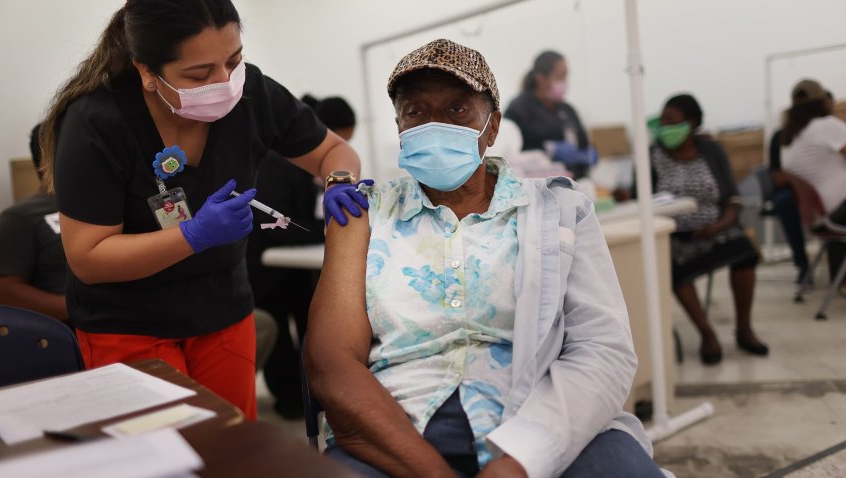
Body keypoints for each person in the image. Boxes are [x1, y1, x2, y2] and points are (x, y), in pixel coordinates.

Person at [306, 39, 665, 478]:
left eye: (458, 110)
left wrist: (518, 463)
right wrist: (432, 473)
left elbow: (602, 349)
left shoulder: (558, 210)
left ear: (491, 127)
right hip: (397, 427)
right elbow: (332, 361)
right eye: (416, 111)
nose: (434, 124)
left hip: (543, 420)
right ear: (399, 124)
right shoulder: (364, 214)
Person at [38, 0, 368, 421]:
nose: (225, 82)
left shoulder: (253, 95)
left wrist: (339, 181)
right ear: (146, 71)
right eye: (199, 74)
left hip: (223, 313)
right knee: (165, 455)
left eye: (234, 61)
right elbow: (88, 257)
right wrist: (192, 235)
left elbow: (333, 150)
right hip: (127, 323)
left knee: (231, 448)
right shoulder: (97, 122)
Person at [246, 94, 356, 418]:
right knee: (277, 332)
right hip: (265, 263)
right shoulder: (276, 163)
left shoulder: (294, 165)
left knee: (311, 326)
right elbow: (275, 223)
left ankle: (311, 394)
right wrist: (323, 226)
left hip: (289, 264)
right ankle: (293, 400)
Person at [647, 94, 768, 365]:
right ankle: (707, 334)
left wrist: (718, 225)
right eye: (662, 120)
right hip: (674, 234)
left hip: (716, 228)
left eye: (672, 121)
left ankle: (744, 329)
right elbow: (639, 198)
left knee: (746, 252)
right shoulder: (652, 155)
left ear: (691, 123)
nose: (665, 126)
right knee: (671, 268)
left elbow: (733, 199)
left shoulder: (711, 151)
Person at [0, 125, 68, 322]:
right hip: (67, 337)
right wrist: (81, 309)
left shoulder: (101, 209)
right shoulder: (20, 217)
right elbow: (3, 290)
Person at [781, 79, 846, 294]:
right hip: (839, 211)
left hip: (820, 216)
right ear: (823, 102)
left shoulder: (789, 138)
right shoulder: (826, 125)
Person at [504, 50, 596, 179]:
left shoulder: (567, 110)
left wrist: (587, 154)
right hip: (535, 184)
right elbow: (509, 150)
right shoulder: (519, 108)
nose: (564, 82)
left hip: (573, 181)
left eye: (565, 76)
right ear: (540, 77)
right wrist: (548, 150)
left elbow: (582, 142)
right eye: (560, 76)